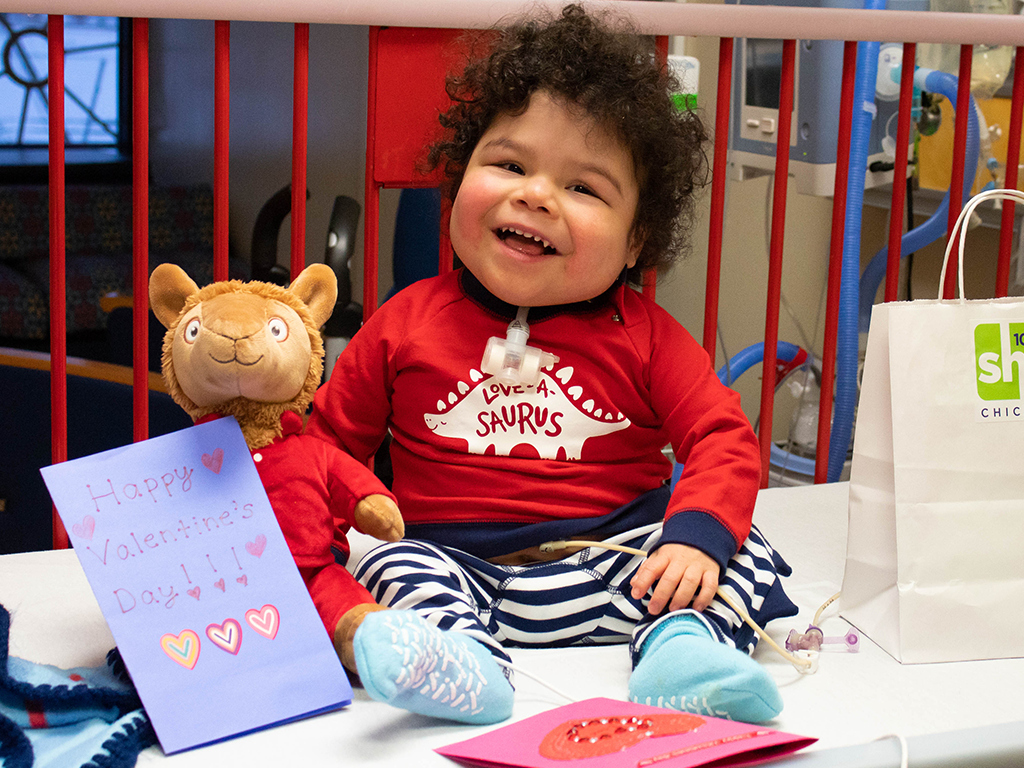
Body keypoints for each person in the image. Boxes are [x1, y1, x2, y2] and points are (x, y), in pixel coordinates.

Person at [306, 4, 797, 726]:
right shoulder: (404, 323)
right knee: (383, 563)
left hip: (620, 571)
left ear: (636, 241)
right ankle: (461, 665)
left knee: (739, 548)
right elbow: (326, 448)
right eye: (509, 165)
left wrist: (694, 541)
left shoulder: (648, 337)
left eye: (583, 187)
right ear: (458, 179)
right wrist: (304, 543)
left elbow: (722, 440)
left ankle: (681, 652)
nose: (535, 194)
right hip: (453, 569)